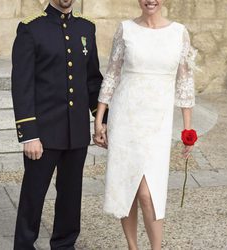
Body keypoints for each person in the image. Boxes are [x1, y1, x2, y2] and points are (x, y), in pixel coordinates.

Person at [93, 0, 198, 249]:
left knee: (148, 193)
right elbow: (112, 74)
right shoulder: (125, 29)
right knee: (127, 185)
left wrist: (188, 129)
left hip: (158, 123)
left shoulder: (179, 32)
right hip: (125, 118)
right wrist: (99, 119)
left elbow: (185, 82)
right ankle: (132, 246)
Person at [11, 0, 107, 249]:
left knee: (70, 196)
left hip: (76, 132)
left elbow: (93, 81)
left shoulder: (86, 29)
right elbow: (22, 86)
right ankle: (23, 245)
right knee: (33, 195)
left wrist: (102, 120)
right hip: (42, 133)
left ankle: (65, 244)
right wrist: (29, 134)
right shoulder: (31, 29)